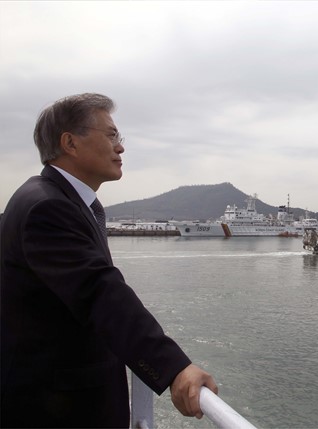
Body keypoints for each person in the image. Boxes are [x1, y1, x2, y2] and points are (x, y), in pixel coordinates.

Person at [0, 93, 218, 427]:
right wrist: (174, 367)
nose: (121, 147)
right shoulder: (49, 208)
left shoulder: (50, 198)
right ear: (70, 143)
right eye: (111, 135)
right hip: (57, 409)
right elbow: (100, 292)